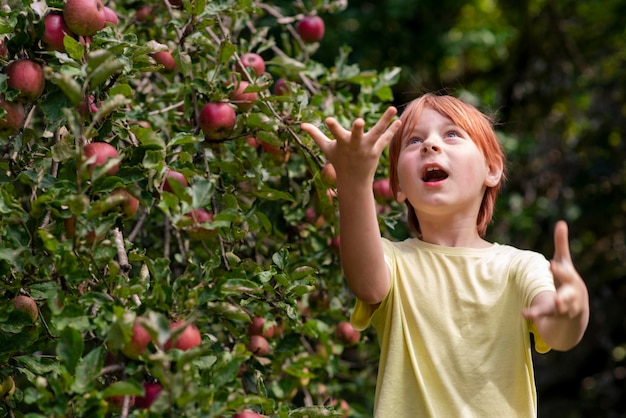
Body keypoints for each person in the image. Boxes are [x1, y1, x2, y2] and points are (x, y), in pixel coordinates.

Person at [300, 93, 590, 417]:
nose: (430, 145)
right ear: (398, 187)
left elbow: (558, 332)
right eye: (413, 141)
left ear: (491, 169)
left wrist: (572, 310)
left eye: (452, 134)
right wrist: (355, 182)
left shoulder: (520, 267)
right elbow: (367, 284)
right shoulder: (393, 261)